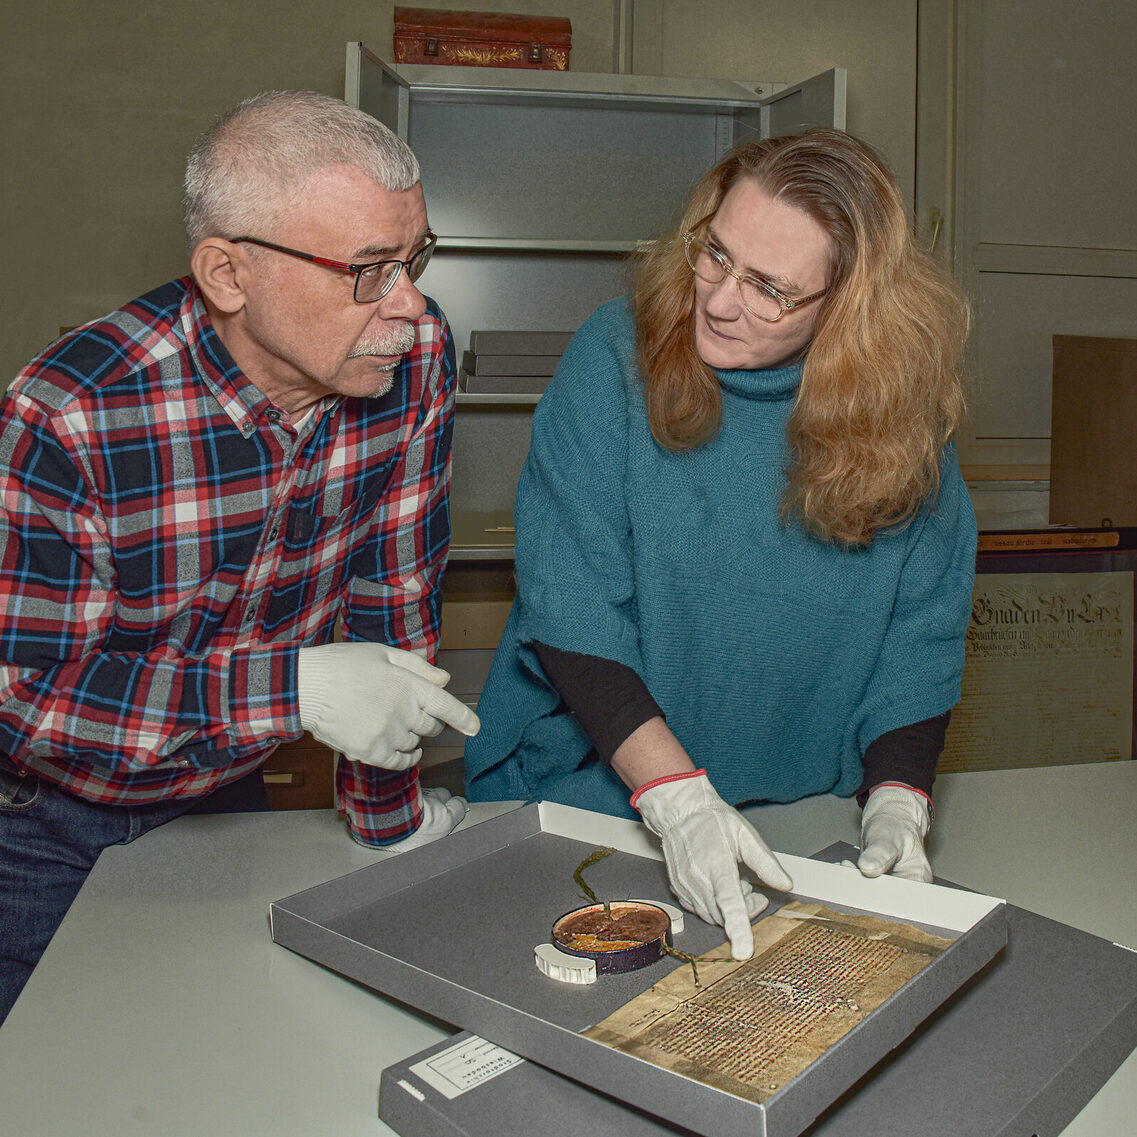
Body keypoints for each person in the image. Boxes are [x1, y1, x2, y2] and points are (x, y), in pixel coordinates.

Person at [0, 90, 479, 1024]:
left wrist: (388, 819)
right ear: (226, 272)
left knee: (224, 1036)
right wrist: (290, 690)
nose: (410, 303)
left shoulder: (409, 357)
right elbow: (28, 697)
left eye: (414, 258)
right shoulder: (69, 414)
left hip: (229, 786)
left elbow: (393, 595)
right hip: (43, 824)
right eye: (370, 268)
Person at [464, 128, 976, 961]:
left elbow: (919, 633)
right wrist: (675, 799)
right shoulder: (614, 356)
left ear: (849, 307)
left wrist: (896, 800)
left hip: (803, 814)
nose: (722, 299)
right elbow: (572, 606)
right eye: (716, 255)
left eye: (771, 287)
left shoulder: (901, 414)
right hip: (595, 800)